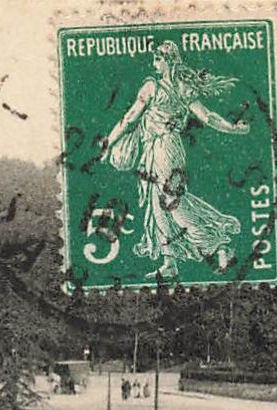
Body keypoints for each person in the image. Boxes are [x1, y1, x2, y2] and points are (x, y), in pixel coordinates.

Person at [99, 40, 251, 281]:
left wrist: (109, 141)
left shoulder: (154, 87)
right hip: (157, 149)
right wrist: (233, 128)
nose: (154, 63)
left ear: (168, 60)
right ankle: (169, 262)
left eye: (158, 59)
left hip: (164, 149)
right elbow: (208, 117)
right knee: (157, 204)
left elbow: (130, 118)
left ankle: (215, 245)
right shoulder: (180, 87)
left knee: (171, 201)